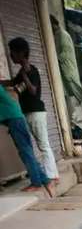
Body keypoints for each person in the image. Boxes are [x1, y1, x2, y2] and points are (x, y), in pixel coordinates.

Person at [8, 37, 58, 183]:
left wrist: (24, 76)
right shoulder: (22, 71)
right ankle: (42, 174)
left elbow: (33, 91)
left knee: (43, 144)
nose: (11, 56)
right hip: (27, 112)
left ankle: (52, 176)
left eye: (13, 53)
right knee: (30, 145)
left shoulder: (31, 70)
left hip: (36, 112)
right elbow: (12, 83)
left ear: (22, 53)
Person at [0, 85, 52, 194]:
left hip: (15, 121)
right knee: (27, 152)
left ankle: (36, 183)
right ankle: (45, 180)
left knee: (26, 152)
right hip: (15, 120)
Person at [49, 15, 82, 112]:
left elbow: (64, 54)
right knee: (72, 95)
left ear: (54, 24)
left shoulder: (62, 35)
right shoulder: (57, 35)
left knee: (78, 93)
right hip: (64, 69)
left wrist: (53, 58)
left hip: (68, 70)